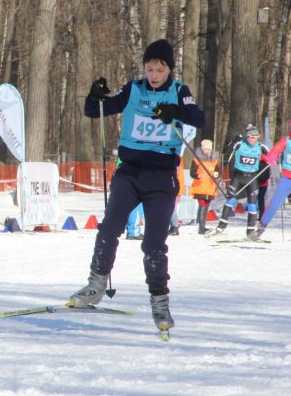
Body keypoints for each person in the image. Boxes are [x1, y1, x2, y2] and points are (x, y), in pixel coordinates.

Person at [69, 39, 205, 334]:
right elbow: (96, 111)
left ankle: (159, 301)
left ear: (169, 69)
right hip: (129, 173)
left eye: (160, 69)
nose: (154, 74)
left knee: (153, 242)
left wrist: (175, 113)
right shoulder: (134, 89)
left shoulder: (179, 91)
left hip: (161, 177)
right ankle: (95, 285)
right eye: (150, 68)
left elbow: (198, 118)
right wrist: (94, 97)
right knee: (110, 227)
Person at [208, 125, 268, 239]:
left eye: (256, 137)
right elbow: (227, 152)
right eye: (252, 137)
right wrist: (233, 142)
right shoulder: (240, 144)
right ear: (247, 136)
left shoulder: (261, 147)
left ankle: (250, 232)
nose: (254, 140)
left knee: (252, 205)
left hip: (252, 178)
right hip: (238, 177)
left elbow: (273, 154)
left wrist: (273, 158)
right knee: (231, 200)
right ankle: (221, 227)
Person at [255, 117, 291, 239]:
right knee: (274, 203)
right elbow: (274, 151)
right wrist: (271, 157)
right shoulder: (286, 141)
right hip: (287, 178)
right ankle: (261, 227)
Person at [189, 139, 220, 235]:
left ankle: (203, 225)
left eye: (209, 150)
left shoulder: (214, 160)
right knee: (202, 205)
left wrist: (217, 174)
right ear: (202, 149)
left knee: (206, 206)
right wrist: (197, 176)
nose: (207, 151)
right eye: (205, 149)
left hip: (210, 187)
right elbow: (192, 172)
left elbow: (218, 171)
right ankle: (201, 227)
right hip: (200, 186)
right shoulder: (196, 160)